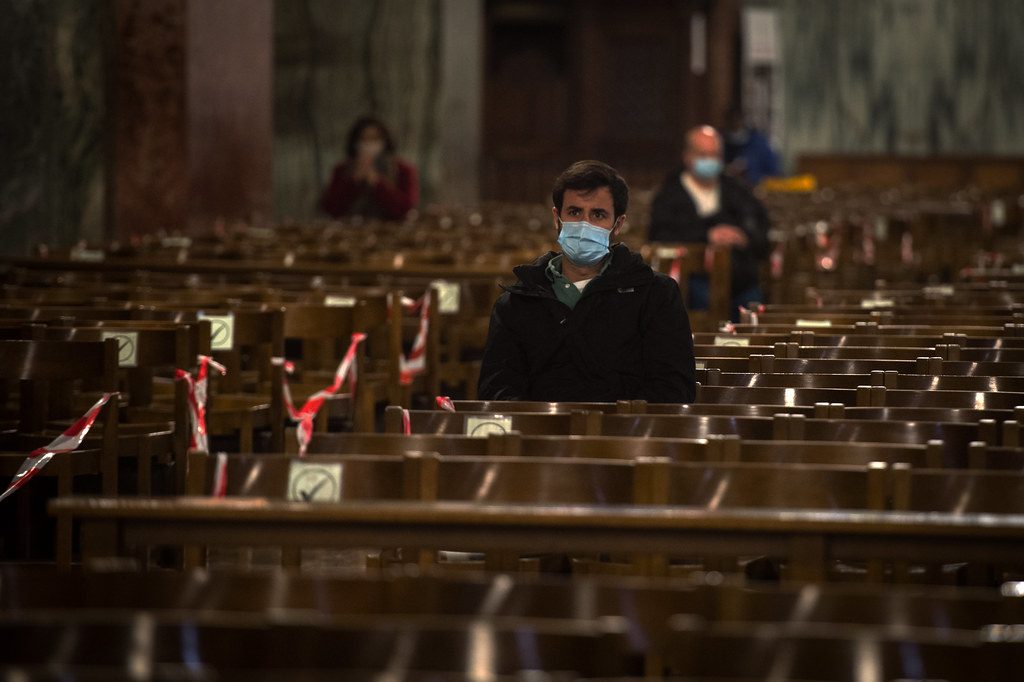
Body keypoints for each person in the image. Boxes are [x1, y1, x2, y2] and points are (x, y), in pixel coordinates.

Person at [478, 160, 696, 403]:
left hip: (625, 426)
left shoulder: (656, 295)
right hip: (539, 426)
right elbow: (497, 392)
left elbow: (673, 390)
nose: (584, 224)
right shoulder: (516, 302)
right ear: (557, 218)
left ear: (618, 225)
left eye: (598, 215)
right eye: (574, 212)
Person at [648, 125, 771, 316]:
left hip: (740, 277)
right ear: (687, 156)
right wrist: (707, 235)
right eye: (703, 154)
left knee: (753, 302)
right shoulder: (669, 195)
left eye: (715, 155)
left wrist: (742, 236)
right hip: (692, 280)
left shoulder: (736, 190)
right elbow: (660, 235)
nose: (710, 160)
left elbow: (759, 227)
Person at [319, 116, 419, 220]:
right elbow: (330, 208)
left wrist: (377, 182)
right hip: (347, 228)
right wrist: (353, 181)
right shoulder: (342, 170)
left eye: (374, 138)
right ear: (355, 142)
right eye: (364, 139)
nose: (369, 144)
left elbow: (406, 207)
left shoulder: (403, 170)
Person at [722, 108, 781, 186]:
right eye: (732, 122)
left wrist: (750, 173)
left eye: (738, 120)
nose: (735, 124)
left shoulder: (758, 142)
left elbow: (774, 173)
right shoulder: (722, 142)